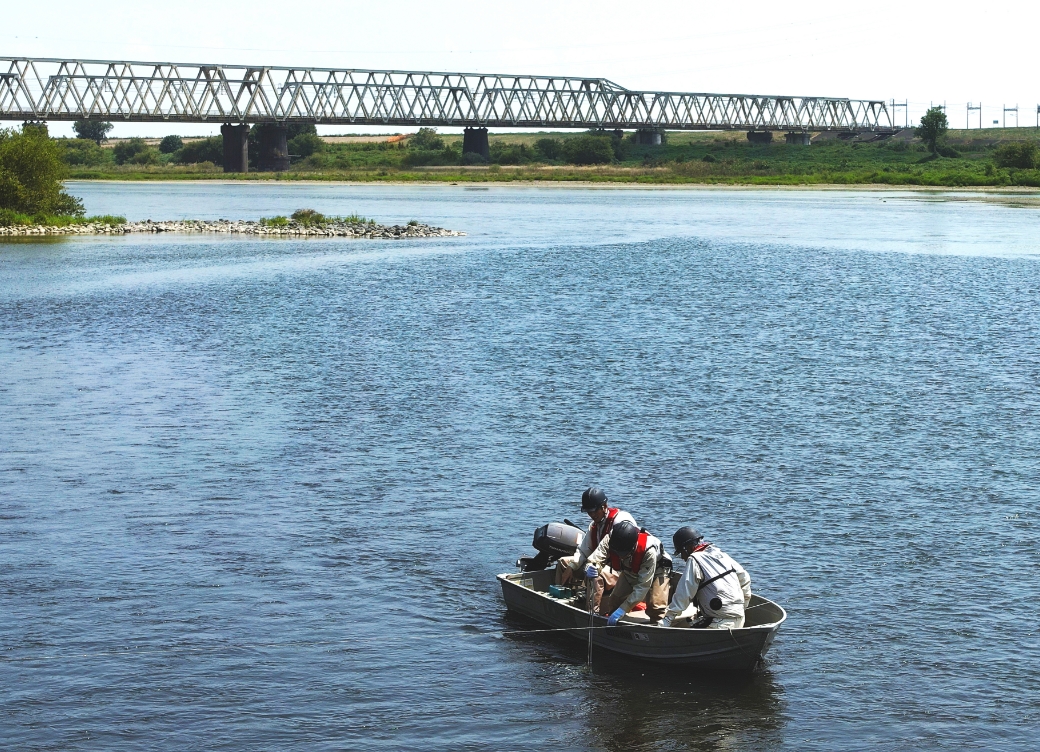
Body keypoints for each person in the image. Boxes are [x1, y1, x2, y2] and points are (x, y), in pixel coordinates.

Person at [660, 526, 751, 629]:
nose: (682, 557)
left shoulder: (694, 559)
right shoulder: (722, 555)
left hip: (719, 623)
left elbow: (684, 593)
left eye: (681, 552)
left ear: (688, 548)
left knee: (679, 634)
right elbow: (745, 578)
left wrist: (668, 618)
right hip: (740, 618)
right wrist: (741, 607)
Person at [584, 520, 671, 625]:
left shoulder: (649, 552)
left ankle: (658, 630)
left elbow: (642, 587)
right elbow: (598, 556)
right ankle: (614, 627)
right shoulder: (613, 538)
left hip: (659, 570)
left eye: (623, 553)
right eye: (618, 553)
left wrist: (623, 609)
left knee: (656, 607)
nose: (620, 556)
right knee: (614, 600)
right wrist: (592, 566)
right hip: (630, 569)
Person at [554, 487, 635, 589]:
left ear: (604, 506)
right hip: (599, 565)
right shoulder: (594, 526)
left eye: (595, 511)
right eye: (589, 512)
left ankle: (590, 604)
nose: (592, 515)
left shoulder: (620, 522)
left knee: (593, 573)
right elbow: (583, 551)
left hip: (620, 571)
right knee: (564, 563)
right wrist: (571, 566)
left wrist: (593, 565)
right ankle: (559, 596)